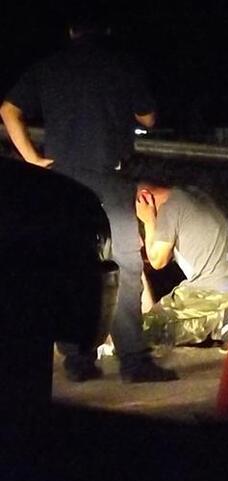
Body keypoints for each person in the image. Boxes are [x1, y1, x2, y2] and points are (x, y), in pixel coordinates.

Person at [0, 11, 178, 382]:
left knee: (71, 262)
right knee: (125, 265)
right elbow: (148, 119)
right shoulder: (122, 65)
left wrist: (32, 159)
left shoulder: (48, 67)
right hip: (111, 178)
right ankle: (133, 360)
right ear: (107, 29)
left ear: (71, 30)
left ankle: (77, 359)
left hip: (63, 184)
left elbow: (8, 110)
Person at [136, 180, 228, 347]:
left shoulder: (169, 208)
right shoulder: (191, 194)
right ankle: (227, 317)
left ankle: (222, 321)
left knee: (138, 332)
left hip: (213, 292)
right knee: (154, 316)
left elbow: (157, 261)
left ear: (145, 198)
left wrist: (148, 221)